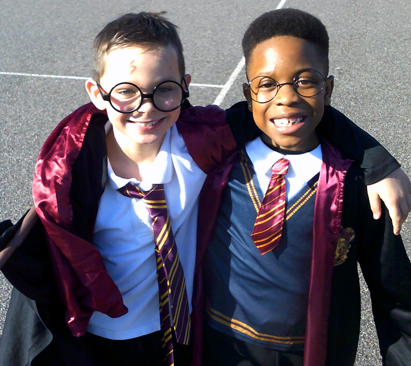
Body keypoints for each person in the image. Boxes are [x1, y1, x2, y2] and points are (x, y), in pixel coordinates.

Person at [0, 10, 410, 366]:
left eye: (165, 90)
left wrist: (376, 160)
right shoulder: (69, 175)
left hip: (184, 335)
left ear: (186, 87)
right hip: (100, 338)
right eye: (126, 92)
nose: (146, 106)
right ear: (97, 94)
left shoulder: (200, 143)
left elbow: (293, 107)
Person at [193, 8, 411, 366]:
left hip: (312, 352)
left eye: (305, 81)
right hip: (223, 346)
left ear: (328, 88)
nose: (287, 97)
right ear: (248, 95)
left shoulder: (356, 183)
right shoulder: (219, 156)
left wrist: (376, 161)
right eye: (266, 84)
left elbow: (395, 296)